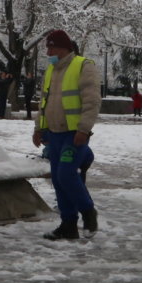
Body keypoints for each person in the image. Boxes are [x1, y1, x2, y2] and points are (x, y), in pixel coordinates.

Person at [31, 29, 100, 239]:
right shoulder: (51, 70)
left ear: (62, 48)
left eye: (51, 48)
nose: (48, 52)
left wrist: (84, 129)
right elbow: (44, 103)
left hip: (74, 133)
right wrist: (38, 128)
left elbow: (91, 101)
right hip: (54, 134)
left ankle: (88, 212)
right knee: (58, 179)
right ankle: (68, 224)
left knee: (66, 174)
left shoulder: (83, 66)